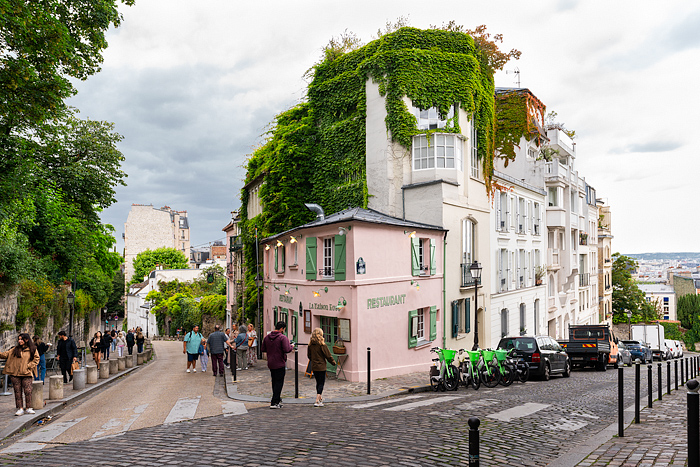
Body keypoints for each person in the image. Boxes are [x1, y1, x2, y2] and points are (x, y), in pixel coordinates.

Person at [0, 333, 39, 416]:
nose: (19, 341)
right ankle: (20, 408)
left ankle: (28, 408)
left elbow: (36, 359)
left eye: (21, 339)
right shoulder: (15, 349)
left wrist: (29, 366)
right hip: (15, 374)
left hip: (26, 373)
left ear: (27, 340)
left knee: (28, 390)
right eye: (19, 339)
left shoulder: (33, 349)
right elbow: (5, 355)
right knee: (17, 391)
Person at [261, 321, 295, 409]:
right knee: (279, 382)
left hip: (271, 362)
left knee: (274, 381)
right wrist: (292, 346)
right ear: (282, 328)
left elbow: (263, 348)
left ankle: (276, 399)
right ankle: (275, 401)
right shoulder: (282, 338)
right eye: (284, 329)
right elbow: (287, 349)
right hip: (279, 362)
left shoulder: (267, 337)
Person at [307, 328, 336, 407]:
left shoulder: (310, 345)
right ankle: (317, 400)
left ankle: (320, 399)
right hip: (321, 366)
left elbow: (309, 356)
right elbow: (328, 355)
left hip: (314, 366)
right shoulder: (322, 345)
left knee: (318, 382)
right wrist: (333, 362)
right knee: (321, 383)